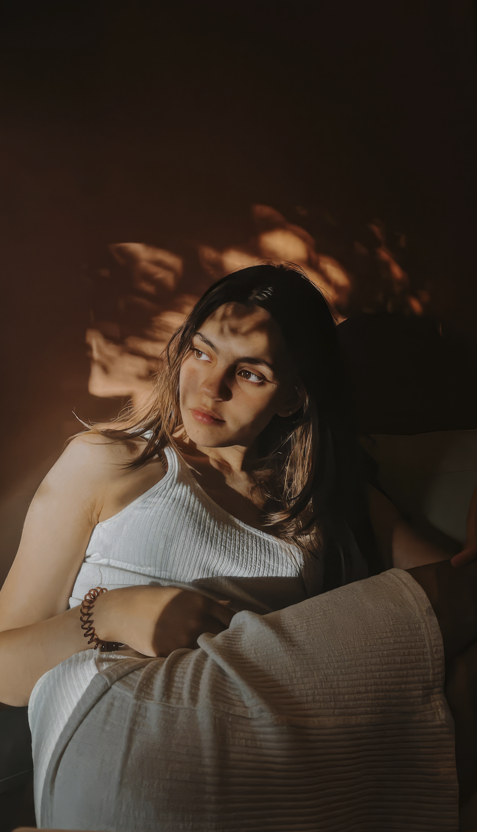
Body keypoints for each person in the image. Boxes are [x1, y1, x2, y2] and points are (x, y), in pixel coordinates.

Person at [0, 264, 475, 828]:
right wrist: (113, 613)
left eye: (249, 373)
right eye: (201, 352)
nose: (210, 386)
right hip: (117, 728)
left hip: (255, 735)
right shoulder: (110, 461)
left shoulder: (325, 502)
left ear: (294, 396)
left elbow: (452, 581)